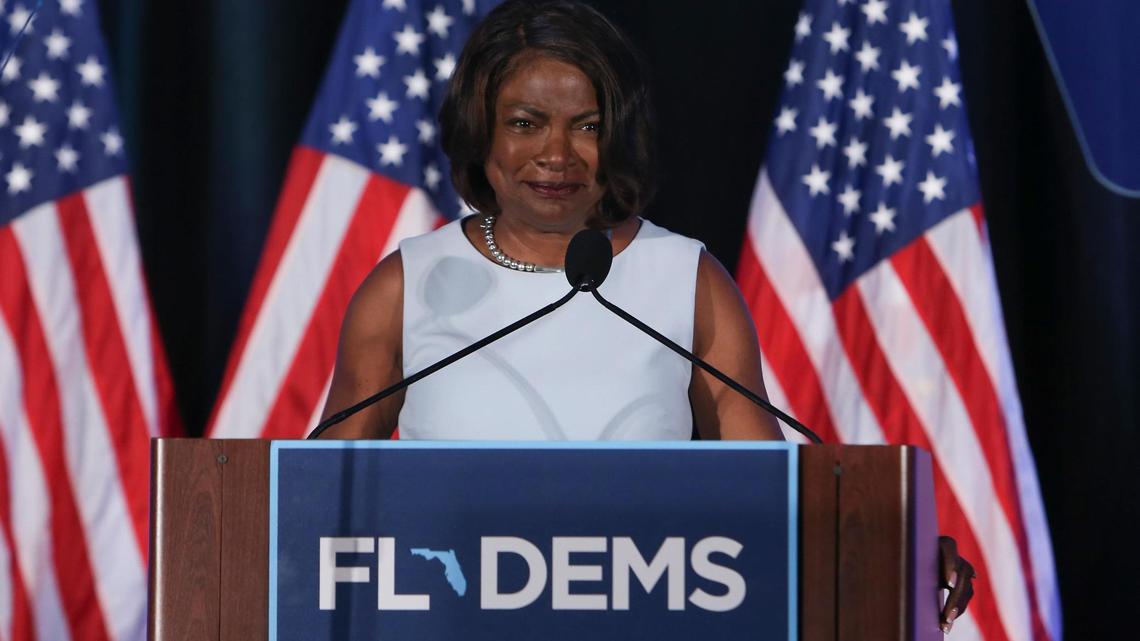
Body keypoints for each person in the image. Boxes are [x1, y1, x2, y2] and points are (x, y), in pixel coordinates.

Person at [317, 0, 973, 631]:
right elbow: (319, 498)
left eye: (588, 125)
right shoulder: (408, 284)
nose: (557, 153)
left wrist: (893, 553)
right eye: (524, 122)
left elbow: (769, 496)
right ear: (478, 129)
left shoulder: (684, 277)